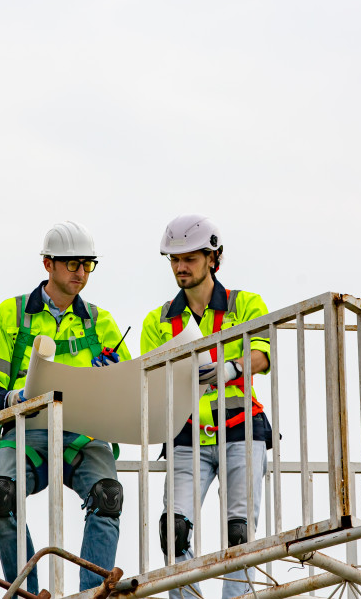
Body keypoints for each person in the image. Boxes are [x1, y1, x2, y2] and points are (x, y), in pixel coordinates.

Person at [0, 220, 132, 594]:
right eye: (73, 264)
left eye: (88, 265)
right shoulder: (9, 315)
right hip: (26, 432)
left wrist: (112, 376)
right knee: (0, 494)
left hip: (85, 435)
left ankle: (94, 592)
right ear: (48, 264)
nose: (81, 273)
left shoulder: (101, 321)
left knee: (108, 495)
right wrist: (15, 399)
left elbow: (126, 388)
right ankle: (25, 591)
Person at [140, 214, 272, 599]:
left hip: (241, 427)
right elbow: (149, 379)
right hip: (185, 435)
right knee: (173, 531)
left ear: (213, 259)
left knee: (240, 533)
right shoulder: (158, 319)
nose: (180, 267)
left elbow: (263, 355)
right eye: (174, 259)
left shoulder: (245, 305)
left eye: (190, 259)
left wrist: (231, 367)